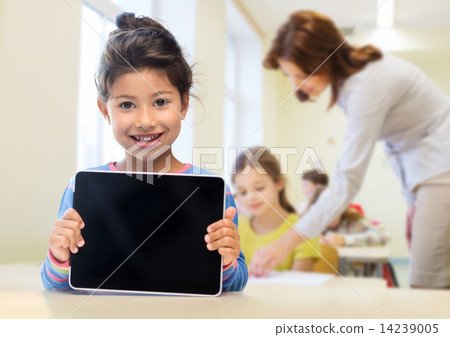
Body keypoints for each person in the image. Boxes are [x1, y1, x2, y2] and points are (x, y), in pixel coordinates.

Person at [40, 12, 247, 292]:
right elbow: (55, 284)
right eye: (127, 105)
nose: (146, 120)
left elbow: (236, 282)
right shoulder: (81, 187)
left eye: (160, 101)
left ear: (184, 105)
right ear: (105, 111)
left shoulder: (214, 191)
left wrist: (227, 261)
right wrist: (59, 256)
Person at [250, 10, 450, 288]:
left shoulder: (366, 86)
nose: (297, 86)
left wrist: (285, 243)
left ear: (324, 59)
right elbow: (402, 143)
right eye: (290, 76)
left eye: (302, 74)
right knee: (432, 278)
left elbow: (347, 181)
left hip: (441, 167)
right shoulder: (351, 84)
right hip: (430, 171)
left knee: (427, 283)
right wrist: (414, 199)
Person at [232, 147, 321, 273]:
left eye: (259, 188)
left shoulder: (303, 231)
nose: (250, 197)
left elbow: (300, 289)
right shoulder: (234, 228)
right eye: (242, 192)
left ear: (279, 183)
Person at [308, 186, 388, 247]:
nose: (330, 216)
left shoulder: (353, 221)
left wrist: (345, 240)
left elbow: (382, 237)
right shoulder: (312, 225)